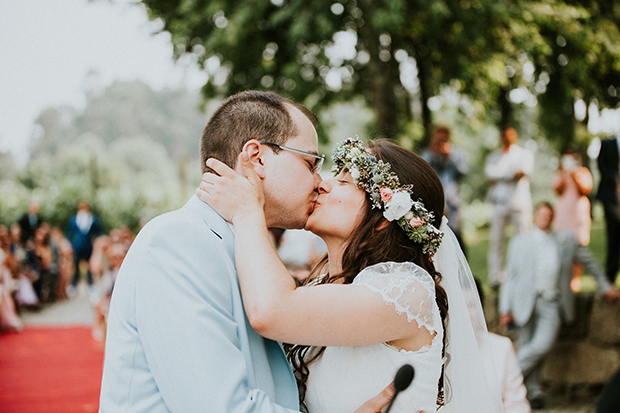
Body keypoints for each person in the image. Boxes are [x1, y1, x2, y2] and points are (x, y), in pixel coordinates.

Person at [99, 91, 391, 413]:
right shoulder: (178, 242)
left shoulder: (245, 248)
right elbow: (219, 406)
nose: (319, 181)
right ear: (257, 158)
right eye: (310, 163)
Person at [198, 136, 504, 412]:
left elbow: (270, 311)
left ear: (385, 216)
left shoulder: (408, 292)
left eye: (345, 181)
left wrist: (248, 211)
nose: (323, 184)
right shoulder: (321, 286)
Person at [498, 202, 620, 409]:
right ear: (535, 216)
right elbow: (511, 277)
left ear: (552, 218)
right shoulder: (520, 242)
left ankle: (504, 375)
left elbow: (589, 261)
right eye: (541, 214)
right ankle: (533, 393)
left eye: (548, 215)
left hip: (552, 302)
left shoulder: (565, 241)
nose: (544, 218)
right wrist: (504, 309)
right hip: (523, 301)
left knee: (541, 346)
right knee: (527, 344)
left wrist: (604, 286)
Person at [485, 126, 534, 287]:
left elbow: (522, 172)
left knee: (523, 239)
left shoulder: (524, 154)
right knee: (496, 241)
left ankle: (524, 275)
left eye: (510, 135)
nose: (507, 138)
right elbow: (489, 173)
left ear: (515, 137)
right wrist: (508, 173)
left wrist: (500, 174)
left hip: (518, 203)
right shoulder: (494, 156)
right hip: (499, 203)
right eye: (505, 136)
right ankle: (496, 277)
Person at [475, 278, 530, 413]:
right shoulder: (435, 351)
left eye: (471, 305)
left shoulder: (502, 347)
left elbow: (517, 404)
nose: (464, 314)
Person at [421, 125, 469, 254]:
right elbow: (422, 170)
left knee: (456, 232)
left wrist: (450, 156)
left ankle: (461, 261)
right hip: (434, 197)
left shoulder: (455, 153)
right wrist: (434, 153)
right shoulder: (428, 153)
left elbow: (463, 172)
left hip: (452, 200)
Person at [553, 149, 593, 246]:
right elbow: (557, 190)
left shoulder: (583, 172)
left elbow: (585, 190)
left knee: (579, 241)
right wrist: (564, 172)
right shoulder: (560, 174)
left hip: (578, 211)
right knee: (562, 241)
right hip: (564, 212)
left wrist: (575, 173)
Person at [65, 201, 102, 298]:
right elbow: (68, 232)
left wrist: (96, 242)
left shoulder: (92, 219)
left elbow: (98, 232)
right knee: (75, 266)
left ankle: (91, 285)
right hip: (77, 247)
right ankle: (73, 286)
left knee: (90, 266)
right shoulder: (74, 219)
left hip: (88, 246)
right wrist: (72, 242)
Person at [596, 136, 620, 285]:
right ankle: (609, 280)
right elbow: (602, 167)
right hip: (611, 199)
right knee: (613, 239)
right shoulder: (607, 144)